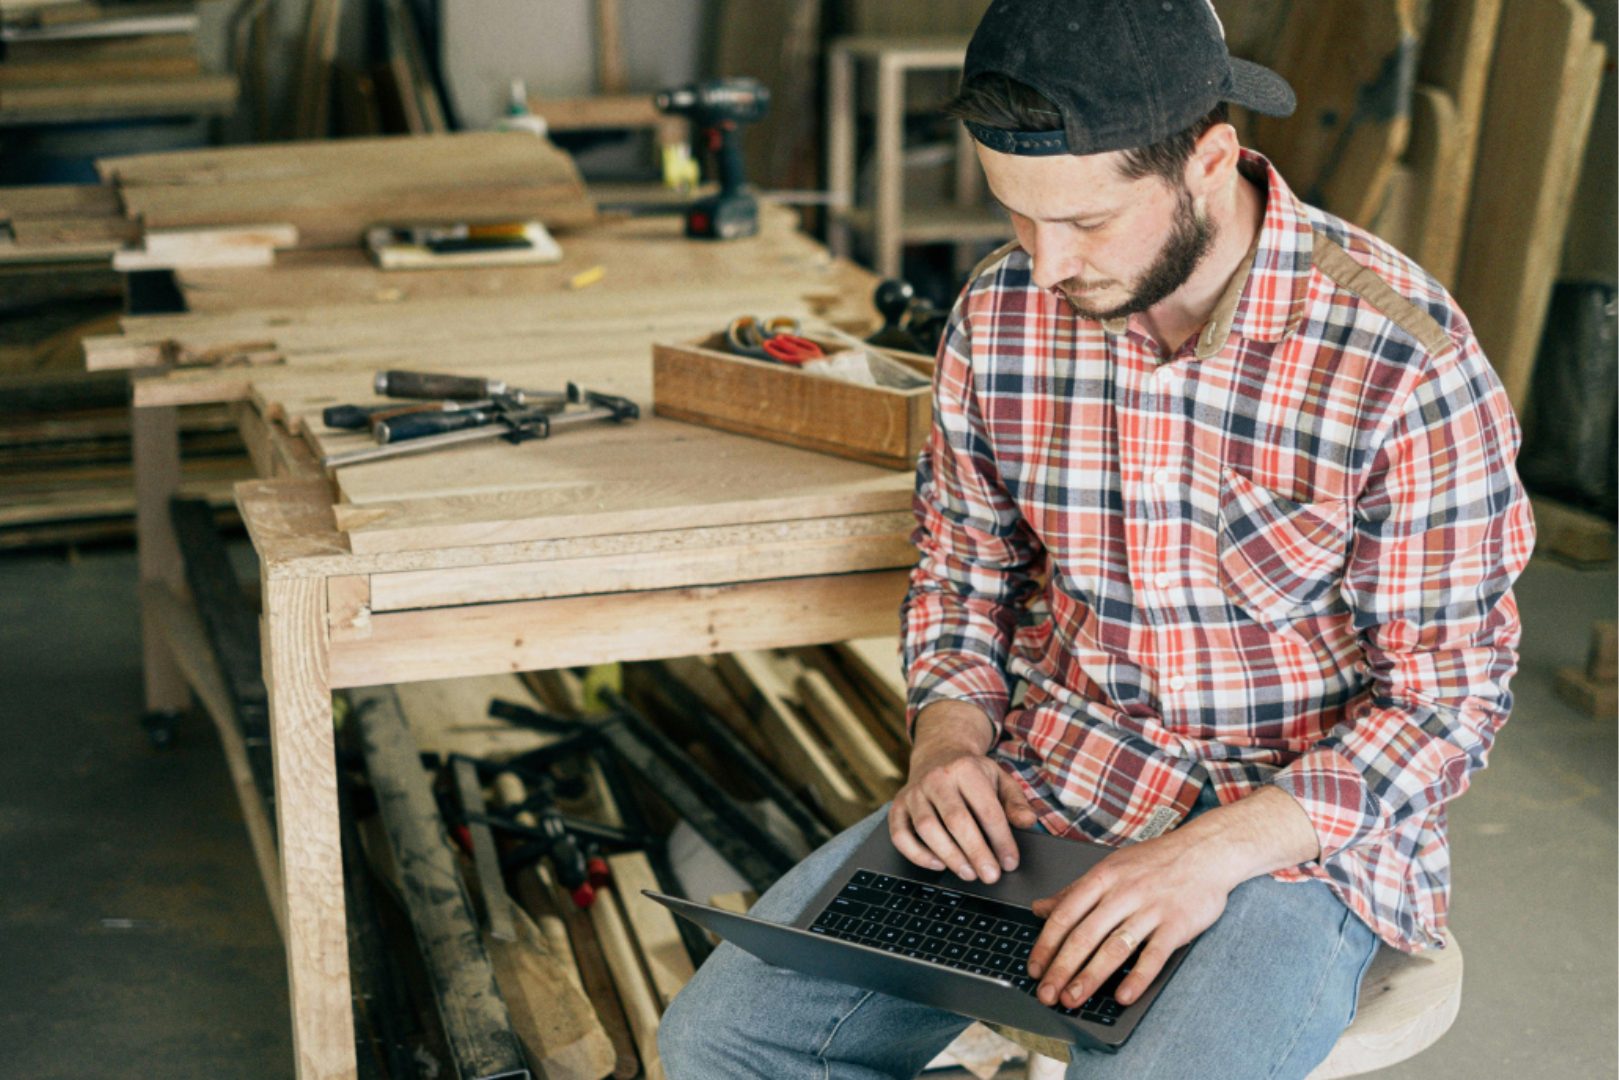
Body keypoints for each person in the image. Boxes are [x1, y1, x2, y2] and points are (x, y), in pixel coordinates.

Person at [659, 1, 1535, 1076]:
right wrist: (946, 741)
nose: (1042, 265)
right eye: (1015, 217)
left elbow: (1445, 700)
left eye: (1084, 223)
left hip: (1287, 846)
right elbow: (962, 569)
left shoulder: (1400, 363)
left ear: (1208, 160)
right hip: (1055, 782)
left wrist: (1206, 855)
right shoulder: (998, 317)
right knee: (722, 1043)